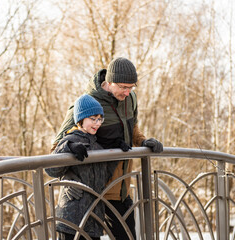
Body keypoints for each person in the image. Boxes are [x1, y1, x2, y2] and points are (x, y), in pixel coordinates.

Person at [52, 57, 164, 239]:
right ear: (109, 82)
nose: (127, 92)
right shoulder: (86, 104)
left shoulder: (130, 99)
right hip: (91, 190)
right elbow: (59, 146)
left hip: (120, 189)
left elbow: (132, 127)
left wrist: (143, 142)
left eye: (131, 87)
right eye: (123, 87)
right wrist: (70, 178)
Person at [45, 94, 130, 240]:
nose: (97, 123)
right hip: (71, 218)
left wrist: (116, 150)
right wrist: (68, 148)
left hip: (93, 219)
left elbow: (106, 175)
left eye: (99, 119)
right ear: (80, 119)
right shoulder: (70, 140)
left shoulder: (97, 146)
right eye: (92, 119)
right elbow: (51, 169)